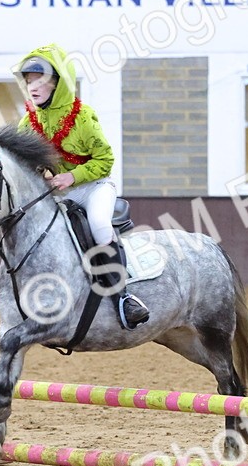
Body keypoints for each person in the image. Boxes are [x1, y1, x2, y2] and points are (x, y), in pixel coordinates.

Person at [15, 44, 150, 330]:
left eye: (39, 80)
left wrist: (71, 177)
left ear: (57, 83)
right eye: (28, 81)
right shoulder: (28, 122)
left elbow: (106, 160)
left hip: (94, 187)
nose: (32, 87)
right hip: (59, 192)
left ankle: (124, 298)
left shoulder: (83, 118)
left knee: (99, 225)